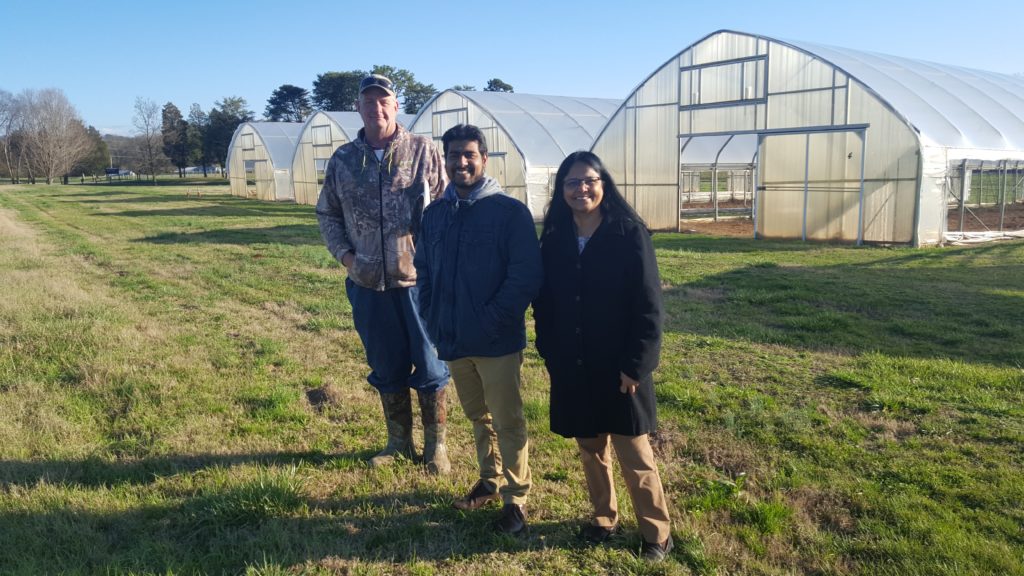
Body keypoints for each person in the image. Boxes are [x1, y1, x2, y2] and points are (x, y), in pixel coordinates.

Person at [532, 151, 674, 561]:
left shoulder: (628, 233)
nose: (581, 189)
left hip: (620, 367)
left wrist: (636, 366)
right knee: (590, 447)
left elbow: (649, 307)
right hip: (573, 362)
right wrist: (549, 350)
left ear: (603, 183)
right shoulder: (555, 237)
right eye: (572, 183)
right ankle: (603, 518)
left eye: (589, 180)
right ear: (561, 191)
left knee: (635, 452)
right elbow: (544, 301)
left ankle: (656, 533)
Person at [316, 74, 451, 475]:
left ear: (395, 107)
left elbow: (444, 208)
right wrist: (346, 257)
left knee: (430, 365)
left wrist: (434, 263)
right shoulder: (343, 159)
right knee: (386, 365)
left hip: (417, 283)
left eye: (384, 101)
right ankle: (398, 441)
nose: (376, 108)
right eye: (368, 101)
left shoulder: (422, 150)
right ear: (357, 107)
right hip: (367, 283)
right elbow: (328, 213)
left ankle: (436, 446)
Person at [414, 124, 542, 535]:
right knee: (477, 416)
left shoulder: (508, 212)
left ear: (484, 159)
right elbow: (425, 272)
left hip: (495, 339)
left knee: (508, 419)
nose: (461, 162)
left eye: (469, 154)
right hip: (452, 338)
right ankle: (489, 480)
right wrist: (433, 318)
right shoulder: (435, 215)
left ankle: (516, 500)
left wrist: (491, 320)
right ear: (445, 160)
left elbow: (524, 277)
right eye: (453, 155)